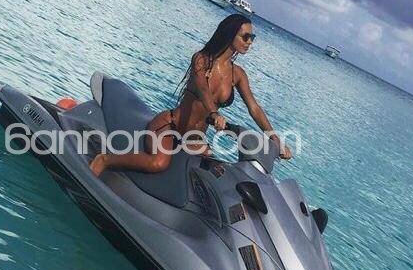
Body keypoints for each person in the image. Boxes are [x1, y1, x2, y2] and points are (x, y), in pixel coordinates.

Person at [89, 14, 292, 177]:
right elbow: (203, 89)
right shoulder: (201, 59)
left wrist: (275, 140)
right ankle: (105, 159)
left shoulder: (237, 74)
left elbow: (254, 108)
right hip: (170, 127)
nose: (249, 42)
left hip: (195, 139)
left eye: (252, 38)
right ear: (230, 35)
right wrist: (214, 114)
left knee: (220, 175)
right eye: (245, 37)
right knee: (158, 163)